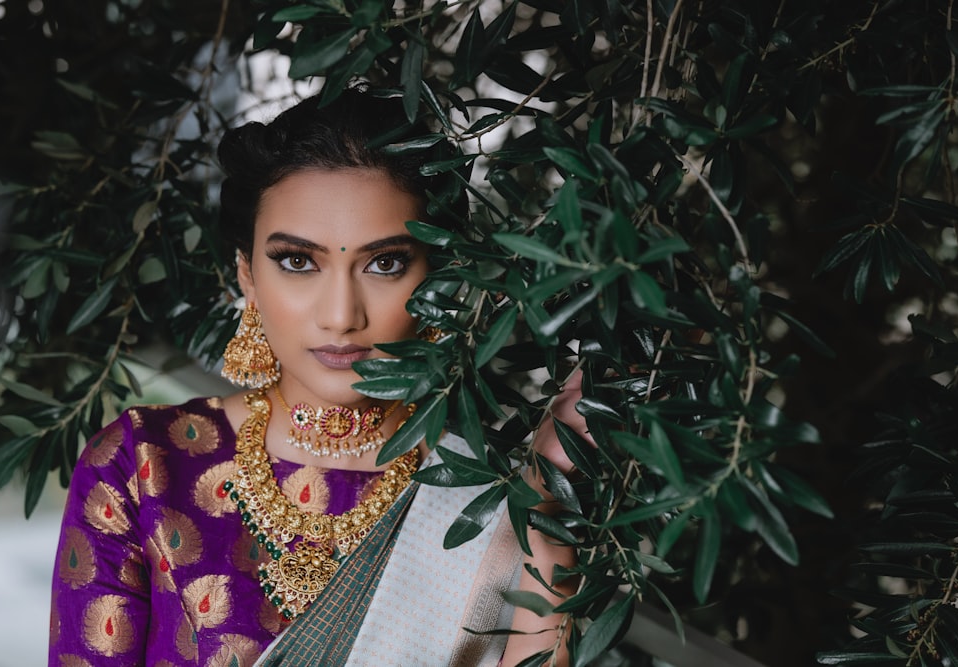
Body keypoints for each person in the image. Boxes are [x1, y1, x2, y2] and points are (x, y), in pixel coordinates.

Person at [48, 87, 584, 666]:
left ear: (438, 278)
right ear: (247, 274)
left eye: (385, 263)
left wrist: (544, 509)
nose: (340, 315)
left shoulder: (481, 490)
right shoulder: (144, 466)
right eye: (298, 261)